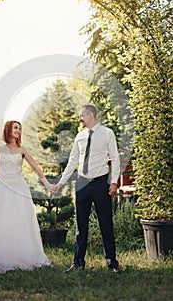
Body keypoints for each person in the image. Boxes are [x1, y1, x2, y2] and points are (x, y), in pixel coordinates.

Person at [0, 120, 54, 273]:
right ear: (8, 129)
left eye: (19, 128)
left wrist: (48, 185)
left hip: (17, 187)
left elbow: (35, 168)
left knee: (18, 220)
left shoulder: (22, 150)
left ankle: (19, 255)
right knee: (0, 220)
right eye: (15, 127)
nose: (18, 130)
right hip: (1, 187)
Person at [54, 105, 120, 273]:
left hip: (100, 184)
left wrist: (114, 182)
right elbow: (72, 161)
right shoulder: (79, 137)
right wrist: (61, 183)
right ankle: (78, 262)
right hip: (82, 184)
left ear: (91, 115)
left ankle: (112, 263)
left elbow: (115, 158)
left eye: (81, 115)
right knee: (80, 225)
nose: (79, 119)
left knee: (106, 223)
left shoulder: (107, 133)